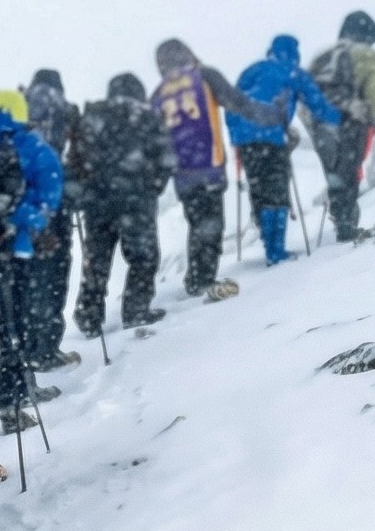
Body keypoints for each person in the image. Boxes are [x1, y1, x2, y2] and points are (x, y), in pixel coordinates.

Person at [0, 90, 63, 455]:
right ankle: (13, 403)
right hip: (17, 250)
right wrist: (23, 222)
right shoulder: (34, 147)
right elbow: (49, 194)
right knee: (14, 328)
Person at [150, 39, 280, 299]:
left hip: (182, 172)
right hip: (209, 165)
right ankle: (201, 281)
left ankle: (198, 277)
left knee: (198, 222)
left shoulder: (159, 94)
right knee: (210, 225)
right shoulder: (204, 76)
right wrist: (272, 115)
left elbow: (154, 138)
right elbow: (238, 103)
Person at [68, 73, 175, 335]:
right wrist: (153, 187)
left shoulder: (91, 118)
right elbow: (165, 158)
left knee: (97, 258)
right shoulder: (147, 116)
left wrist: (82, 193)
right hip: (135, 201)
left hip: (97, 202)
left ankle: (88, 315)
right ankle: (136, 311)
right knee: (143, 257)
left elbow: (76, 159)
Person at [225, 35, 344, 264]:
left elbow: (231, 103)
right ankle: (275, 252)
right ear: (294, 53)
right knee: (277, 194)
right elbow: (317, 105)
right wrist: (342, 120)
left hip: (247, 142)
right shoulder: (292, 72)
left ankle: (268, 243)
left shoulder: (253, 70)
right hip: (271, 137)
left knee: (259, 191)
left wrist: (235, 138)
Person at [308, 10, 375, 240]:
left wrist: (313, 126)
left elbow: (305, 93)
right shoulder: (367, 56)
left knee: (335, 174)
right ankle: (347, 227)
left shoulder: (321, 57)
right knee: (350, 173)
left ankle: (341, 219)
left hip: (321, 126)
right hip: (351, 122)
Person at [21, 68, 81, 370]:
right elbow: (72, 155)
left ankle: (28, 349)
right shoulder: (63, 108)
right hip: (54, 203)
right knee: (54, 277)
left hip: (21, 208)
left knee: (30, 280)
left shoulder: (19, 106)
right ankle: (46, 348)